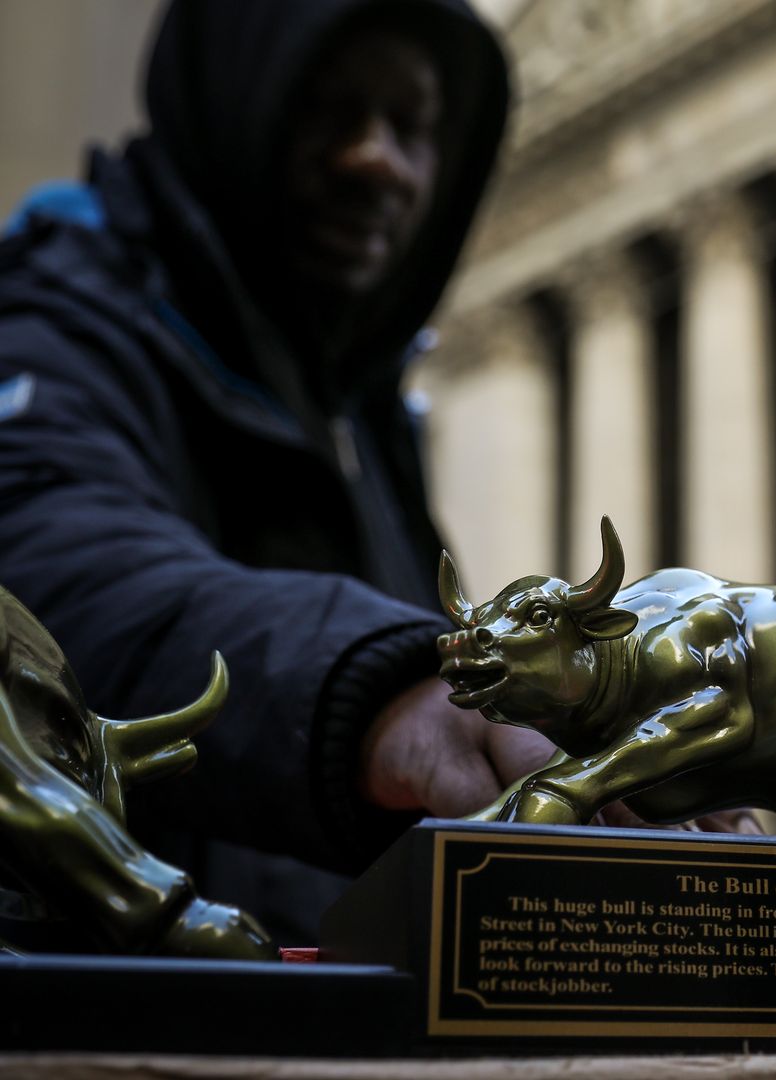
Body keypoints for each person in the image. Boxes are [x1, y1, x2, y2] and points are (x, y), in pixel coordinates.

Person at [0, 0, 555, 941]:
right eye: (331, 109)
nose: (380, 159)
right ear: (236, 102)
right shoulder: (56, 316)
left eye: (413, 127)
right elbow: (59, 576)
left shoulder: (359, 412)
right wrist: (380, 693)